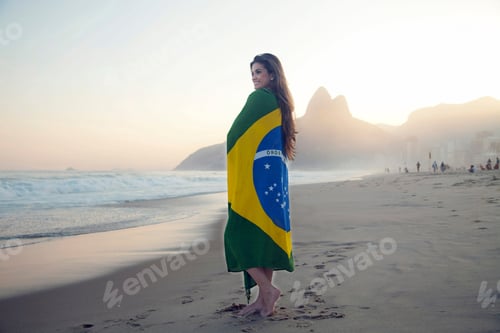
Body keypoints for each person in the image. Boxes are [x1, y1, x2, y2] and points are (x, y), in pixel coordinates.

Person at [224, 53, 296, 317]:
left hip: (255, 179)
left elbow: (235, 134)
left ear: (272, 75)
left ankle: (267, 290)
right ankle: (263, 301)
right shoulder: (280, 104)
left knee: (236, 235)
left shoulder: (259, 99)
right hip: (272, 179)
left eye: (259, 72)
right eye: (252, 73)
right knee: (264, 235)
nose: (254, 78)